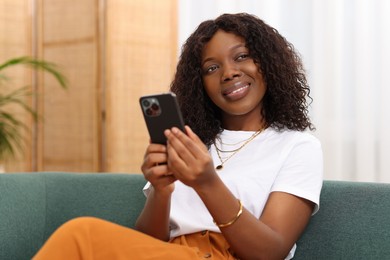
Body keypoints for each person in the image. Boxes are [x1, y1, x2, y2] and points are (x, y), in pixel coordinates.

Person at [34, 13, 323, 260]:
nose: (228, 73)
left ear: (268, 63)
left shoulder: (297, 146)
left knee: (81, 235)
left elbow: (269, 252)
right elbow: (149, 243)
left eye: (242, 56)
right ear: (201, 84)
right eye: (212, 67)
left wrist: (208, 183)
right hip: (172, 253)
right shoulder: (191, 142)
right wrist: (162, 190)